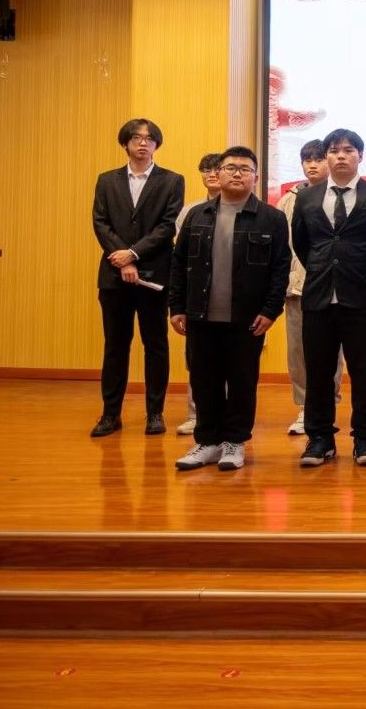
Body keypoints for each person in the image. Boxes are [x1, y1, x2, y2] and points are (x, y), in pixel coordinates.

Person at [168, 147, 289, 471]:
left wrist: (270, 310)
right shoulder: (197, 215)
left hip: (247, 318)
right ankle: (207, 442)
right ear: (217, 174)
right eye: (230, 167)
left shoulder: (272, 218)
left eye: (245, 169)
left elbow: (280, 269)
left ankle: (234, 442)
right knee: (203, 380)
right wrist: (176, 306)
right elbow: (178, 264)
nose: (237, 173)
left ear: (256, 177)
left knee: (242, 381)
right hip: (200, 315)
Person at [291, 128, 366, 468]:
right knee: (318, 372)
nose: (340, 156)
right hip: (318, 296)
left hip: (362, 296)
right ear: (326, 157)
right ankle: (320, 438)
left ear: (360, 156)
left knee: (364, 371)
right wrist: (324, 269)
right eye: (334, 150)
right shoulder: (307, 197)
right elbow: (303, 244)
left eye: (348, 150)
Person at [90, 118, 185, 438]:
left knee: (155, 345)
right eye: (136, 138)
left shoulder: (172, 180)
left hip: (153, 274)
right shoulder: (107, 180)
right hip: (114, 275)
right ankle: (110, 414)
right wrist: (121, 258)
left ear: (157, 144)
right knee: (115, 346)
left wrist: (132, 254)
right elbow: (101, 223)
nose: (143, 143)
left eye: (149, 138)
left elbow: (167, 225)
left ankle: (155, 413)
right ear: (125, 143)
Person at [277, 140, 341, 436]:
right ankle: (305, 407)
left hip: (333, 287)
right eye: (307, 159)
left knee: (331, 353)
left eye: (318, 159)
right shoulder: (288, 200)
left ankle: (328, 404)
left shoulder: (340, 195)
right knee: (298, 352)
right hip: (297, 288)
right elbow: (283, 247)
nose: (312, 165)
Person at [174, 152, 223, 436]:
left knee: (232, 360)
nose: (212, 174)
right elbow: (180, 259)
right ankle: (197, 415)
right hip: (197, 295)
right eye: (206, 170)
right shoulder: (190, 212)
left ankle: (229, 418)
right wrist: (177, 303)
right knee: (197, 358)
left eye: (217, 168)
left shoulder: (248, 209)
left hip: (231, 295)